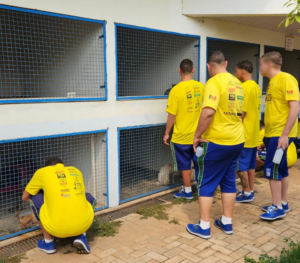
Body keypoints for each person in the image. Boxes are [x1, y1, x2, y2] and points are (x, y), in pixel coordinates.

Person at [186, 51, 244, 239]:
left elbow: (208, 112)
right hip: (237, 140)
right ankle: (226, 222)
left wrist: (197, 135)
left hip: (217, 141)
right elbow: (241, 113)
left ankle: (204, 227)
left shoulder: (213, 82)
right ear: (226, 63)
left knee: (206, 182)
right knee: (228, 181)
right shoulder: (237, 83)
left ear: (208, 66)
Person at [22, 157, 96, 254]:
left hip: (56, 228)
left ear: (47, 167)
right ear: (63, 166)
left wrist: (46, 205)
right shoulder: (75, 170)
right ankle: (81, 236)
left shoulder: (42, 172)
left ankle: (48, 242)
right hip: (84, 224)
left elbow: (25, 197)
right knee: (87, 197)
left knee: (35, 197)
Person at [259, 51, 299, 221]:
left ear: (269, 64)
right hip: (272, 133)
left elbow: (295, 107)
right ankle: (282, 202)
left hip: (279, 134)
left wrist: (284, 135)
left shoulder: (286, 79)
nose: (259, 68)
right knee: (281, 168)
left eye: (261, 64)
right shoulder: (272, 82)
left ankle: (277, 207)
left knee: (272, 168)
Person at [163, 59, 204, 199]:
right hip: (199, 136)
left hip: (181, 137)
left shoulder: (175, 90)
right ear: (193, 70)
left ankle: (187, 192)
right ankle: (201, 191)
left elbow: (172, 115)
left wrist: (167, 133)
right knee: (199, 162)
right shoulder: (201, 87)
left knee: (185, 165)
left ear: (179, 70)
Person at [234, 61, 262, 203]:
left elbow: (242, 110)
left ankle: (246, 193)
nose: (235, 73)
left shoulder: (244, 87)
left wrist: (235, 125)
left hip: (244, 133)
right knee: (251, 166)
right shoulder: (256, 87)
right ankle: (250, 190)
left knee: (240, 166)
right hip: (253, 133)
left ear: (243, 70)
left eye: (236, 70)